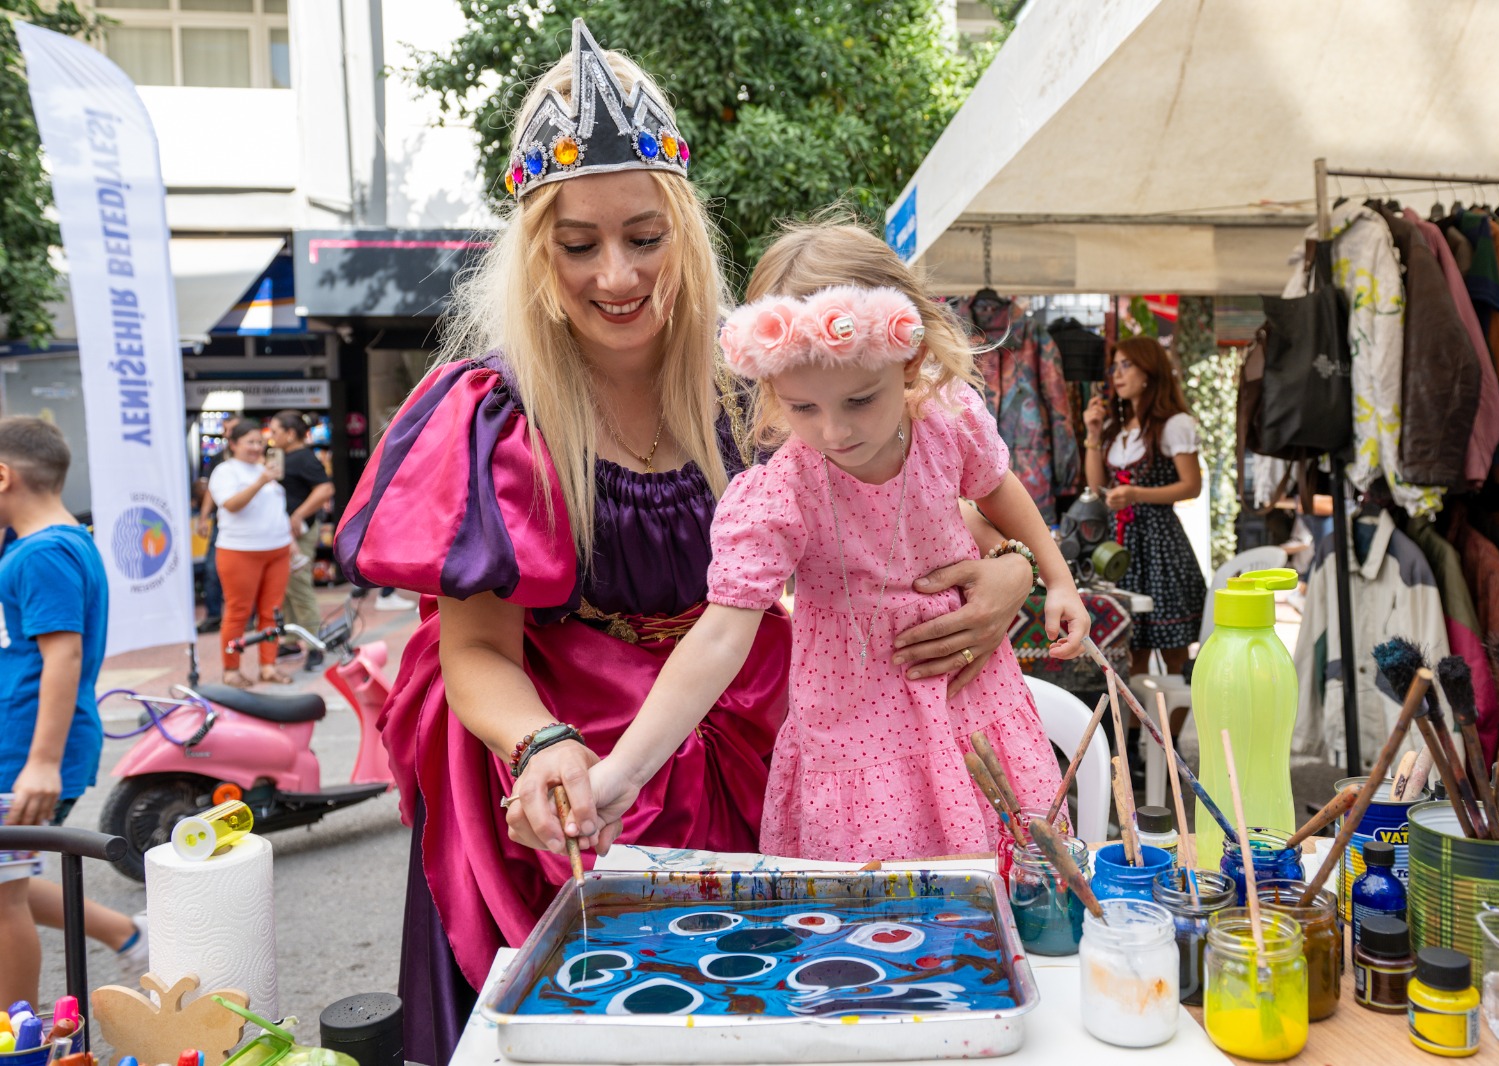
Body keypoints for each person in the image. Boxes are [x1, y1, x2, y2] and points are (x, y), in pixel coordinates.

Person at [333, 20, 1034, 1062]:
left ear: (681, 233)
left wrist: (1012, 573)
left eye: (642, 237)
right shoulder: (496, 411)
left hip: (753, 739)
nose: (615, 274)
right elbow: (473, 649)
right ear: (536, 251)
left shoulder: (760, 384)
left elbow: (936, 502)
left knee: (785, 1007)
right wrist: (543, 747)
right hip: (578, 781)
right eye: (577, 243)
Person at [583, 222, 1091, 860]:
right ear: (771, 391)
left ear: (907, 359)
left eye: (859, 399)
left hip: (974, 706)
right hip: (857, 742)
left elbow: (998, 487)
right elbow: (718, 636)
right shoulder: (782, 494)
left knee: (1011, 897)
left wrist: (1057, 575)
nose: (835, 431)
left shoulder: (946, 422)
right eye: (803, 408)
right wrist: (625, 772)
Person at [0, 418, 145, 1006]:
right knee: (9, 875)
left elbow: (63, 655)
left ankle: (17, 1036)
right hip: (22, 740)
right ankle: (128, 934)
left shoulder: (43, 554)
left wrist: (40, 762)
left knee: (3, 897)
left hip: (24, 748)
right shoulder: (51, 542)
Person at [1083, 336, 1207, 736]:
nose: (1116, 375)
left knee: (1174, 653)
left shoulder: (1174, 425)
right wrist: (1093, 434)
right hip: (1124, 548)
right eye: (1114, 366)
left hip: (1162, 545)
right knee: (1130, 648)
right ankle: (1137, 742)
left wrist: (1137, 494)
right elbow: (1097, 490)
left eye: (1126, 366)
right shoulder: (1120, 431)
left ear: (1148, 372)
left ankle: (1167, 740)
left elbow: (1191, 486)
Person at [209, 419, 293, 687]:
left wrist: (290, 540)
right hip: (239, 549)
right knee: (238, 611)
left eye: (260, 442)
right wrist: (260, 481)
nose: (256, 447)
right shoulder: (226, 471)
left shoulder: (264, 469)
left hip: (277, 548)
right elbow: (231, 505)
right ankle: (231, 670)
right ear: (233, 444)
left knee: (272, 612)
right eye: (250, 442)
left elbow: (276, 509)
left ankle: (268, 666)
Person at [268, 411, 334, 668]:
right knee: (285, 588)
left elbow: (326, 488)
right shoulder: (283, 456)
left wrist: (298, 514)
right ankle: (292, 640)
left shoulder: (304, 458)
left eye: (275, 431)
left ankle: (315, 643)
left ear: (290, 433)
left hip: (299, 532)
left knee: (298, 586)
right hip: (283, 532)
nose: (271, 437)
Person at [194, 412, 239, 633]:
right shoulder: (218, 459)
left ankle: (248, 616)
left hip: (244, 528)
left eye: (232, 430)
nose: (227, 434)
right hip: (221, 524)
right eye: (226, 430)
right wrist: (203, 518)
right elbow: (211, 491)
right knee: (212, 569)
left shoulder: (256, 460)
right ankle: (213, 615)